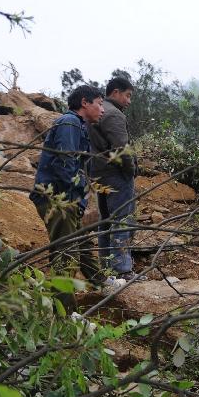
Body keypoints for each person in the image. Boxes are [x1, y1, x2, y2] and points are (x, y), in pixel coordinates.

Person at [30, 84, 106, 311]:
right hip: (58, 199)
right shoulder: (69, 123)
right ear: (85, 102)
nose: (102, 110)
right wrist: (77, 198)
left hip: (66, 198)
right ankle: (64, 315)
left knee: (81, 243)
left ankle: (101, 283)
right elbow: (66, 165)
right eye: (99, 104)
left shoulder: (78, 125)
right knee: (65, 255)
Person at [89, 76, 141, 281]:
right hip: (116, 175)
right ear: (116, 93)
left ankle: (107, 268)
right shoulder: (114, 115)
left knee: (106, 221)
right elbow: (122, 150)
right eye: (127, 96)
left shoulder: (97, 113)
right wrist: (130, 170)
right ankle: (123, 270)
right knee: (122, 220)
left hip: (98, 174)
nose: (129, 101)